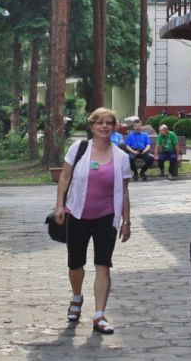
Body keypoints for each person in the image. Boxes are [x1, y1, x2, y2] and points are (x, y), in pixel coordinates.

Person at [52, 107, 132, 335]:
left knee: (103, 264)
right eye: (100, 122)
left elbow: (124, 191)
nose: (104, 126)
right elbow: (64, 177)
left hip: (107, 216)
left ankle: (99, 315)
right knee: (75, 263)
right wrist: (60, 205)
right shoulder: (79, 149)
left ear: (114, 127)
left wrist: (126, 221)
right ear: (92, 125)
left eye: (109, 123)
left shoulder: (121, 157)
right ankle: (76, 297)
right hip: (78, 213)